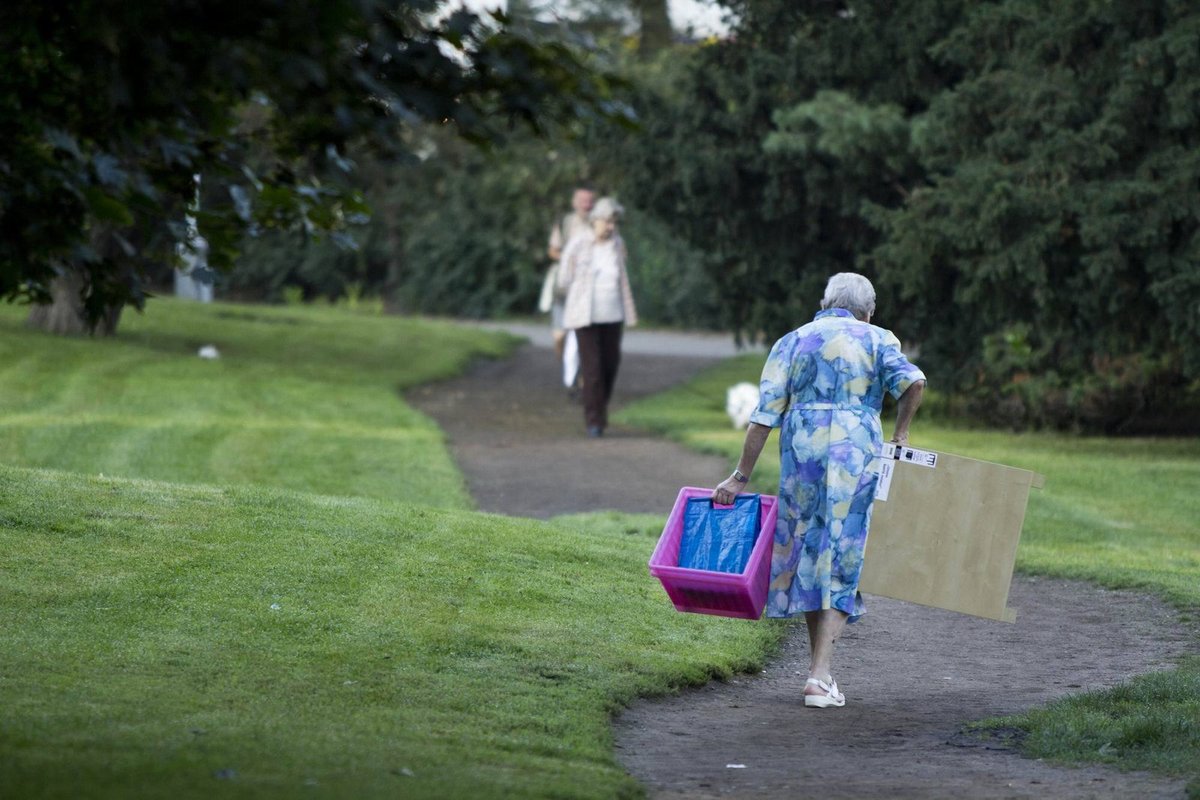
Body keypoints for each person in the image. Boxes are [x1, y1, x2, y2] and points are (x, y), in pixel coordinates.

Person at [711, 272, 925, 709]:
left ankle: (818, 673)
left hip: (803, 453)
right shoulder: (877, 337)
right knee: (844, 552)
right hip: (855, 452)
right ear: (869, 310)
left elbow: (763, 415)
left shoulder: (793, 340)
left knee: (809, 550)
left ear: (825, 302)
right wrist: (901, 434)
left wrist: (740, 476)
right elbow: (914, 382)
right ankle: (819, 674)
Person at [557, 196, 639, 438]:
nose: (611, 227)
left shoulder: (617, 243)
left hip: (613, 313)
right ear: (595, 221)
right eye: (607, 222)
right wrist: (577, 288)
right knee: (592, 368)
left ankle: (598, 407)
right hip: (585, 315)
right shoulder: (579, 243)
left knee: (610, 364)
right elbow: (564, 277)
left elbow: (622, 276)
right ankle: (594, 419)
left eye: (614, 222)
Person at [540, 186, 596, 369]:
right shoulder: (565, 223)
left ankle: (578, 375)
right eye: (582, 201)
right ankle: (566, 366)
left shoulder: (599, 224)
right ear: (574, 203)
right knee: (559, 335)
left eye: (589, 201)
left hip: (588, 285)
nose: (586, 205)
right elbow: (552, 250)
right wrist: (569, 258)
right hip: (564, 286)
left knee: (584, 335)